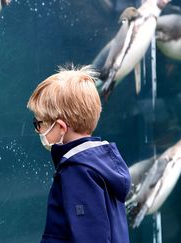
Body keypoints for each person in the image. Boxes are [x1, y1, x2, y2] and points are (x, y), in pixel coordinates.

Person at [27, 65, 130, 243]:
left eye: (40, 123)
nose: (38, 130)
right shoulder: (101, 163)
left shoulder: (78, 172)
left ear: (60, 127)